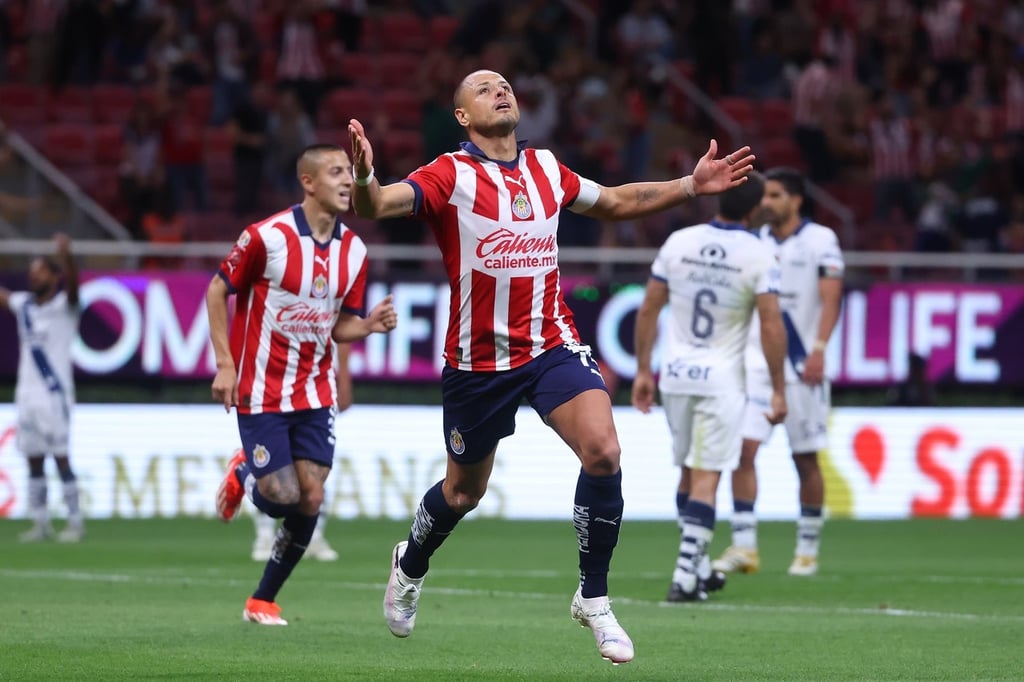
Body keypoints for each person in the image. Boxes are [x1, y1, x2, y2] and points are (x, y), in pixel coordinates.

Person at [347, 69, 755, 665]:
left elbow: (615, 202)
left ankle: (593, 597)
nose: (500, 91)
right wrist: (362, 174)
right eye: (484, 89)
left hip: (549, 345)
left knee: (604, 450)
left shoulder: (545, 168)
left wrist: (691, 185)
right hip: (477, 362)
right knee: (463, 492)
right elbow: (376, 204)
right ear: (463, 116)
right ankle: (409, 565)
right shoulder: (448, 174)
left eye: (505, 85)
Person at [207, 143, 398, 626]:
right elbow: (216, 290)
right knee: (279, 497)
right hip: (262, 389)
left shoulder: (355, 250)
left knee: (311, 496)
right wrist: (225, 364)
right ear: (308, 182)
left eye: (349, 172)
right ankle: (243, 474)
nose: (345, 180)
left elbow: (340, 327)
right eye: (335, 171)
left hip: (316, 390)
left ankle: (262, 600)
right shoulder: (265, 238)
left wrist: (369, 325)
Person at [631, 173, 787, 602]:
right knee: (707, 476)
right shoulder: (759, 253)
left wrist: (644, 370)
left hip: (676, 374)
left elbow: (648, 309)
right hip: (721, 379)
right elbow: (771, 326)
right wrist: (778, 389)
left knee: (687, 471)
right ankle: (684, 577)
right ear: (755, 210)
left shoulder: (679, 241)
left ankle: (699, 568)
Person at [712, 167, 844, 578]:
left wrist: (820, 349)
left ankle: (807, 550)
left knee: (804, 458)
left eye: (774, 195)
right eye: (764, 196)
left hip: (802, 366)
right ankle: (745, 547)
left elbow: (831, 299)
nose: (765, 203)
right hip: (756, 366)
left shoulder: (821, 240)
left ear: (796, 199)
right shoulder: (757, 242)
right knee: (743, 452)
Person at [0, 234, 84, 543]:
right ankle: (40, 522)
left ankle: (75, 522)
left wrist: (68, 257)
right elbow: (4, 296)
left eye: (40, 271)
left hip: (55, 395)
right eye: (32, 272)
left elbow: (75, 289)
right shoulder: (24, 306)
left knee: (61, 458)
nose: (33, 276)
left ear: (54, 276)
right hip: (27, 396)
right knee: (33, 458)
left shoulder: (65, 307)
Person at [250, 342, 353, 562]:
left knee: (316, 465)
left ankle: (313, 536)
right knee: (275, 470)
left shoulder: (326, 307)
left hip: (315, 387)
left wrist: (343, 375)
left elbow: (341, 328)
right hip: (271, 382)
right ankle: (265, 535)